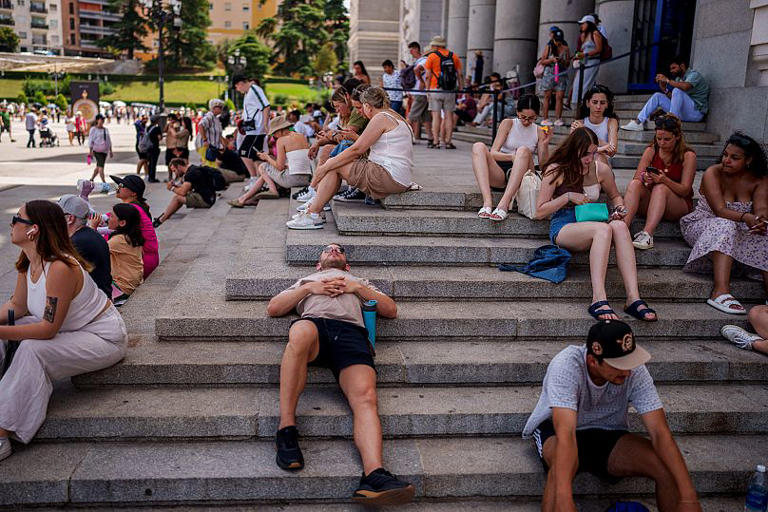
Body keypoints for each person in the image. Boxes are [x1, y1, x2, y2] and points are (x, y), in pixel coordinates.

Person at [266, 243, 414, 504]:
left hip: (350, 335)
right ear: (318, 264)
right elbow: (274, 308)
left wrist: (356, 288)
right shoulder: (306, 279)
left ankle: (374, 474)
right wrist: (310, 288)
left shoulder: (358, 281)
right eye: (327, 249)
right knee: (299, 332)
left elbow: (390, 310)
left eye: (339, 249)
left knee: (366, 397)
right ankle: (286, 430)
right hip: (314, 329)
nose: (333, 250)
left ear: (346, 265)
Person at [523, 320, 702, 512]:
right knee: (561, 467)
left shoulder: (634, 371)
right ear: (593, 361)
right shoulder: (566, 365)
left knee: (665, 467)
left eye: (629, 362)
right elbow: (566, 435)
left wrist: (689, 498)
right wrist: (566, 501)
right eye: (618, 365)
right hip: (559, 432)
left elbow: (660, 432)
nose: (627, 371)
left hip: (609, 432)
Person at [0, 200, 127, 461]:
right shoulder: (29, 258)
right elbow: (18, 306)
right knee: (8, 329)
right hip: (70, 330)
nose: (11, 225)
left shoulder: (60, 267)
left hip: (101, 337)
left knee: (33, 349)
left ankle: (2, 434)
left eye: (17, 220)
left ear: (34, 229)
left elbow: (47, 329)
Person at [535, 127, 657, 322]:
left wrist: (620, 210)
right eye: (585, 154)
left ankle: (633, 298)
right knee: (603, 229)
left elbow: (616, 196)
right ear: (573, 150)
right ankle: (598, 299)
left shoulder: (601, 169)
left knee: (619, 226)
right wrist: (567, 196)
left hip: (595, 221)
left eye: (593, 152)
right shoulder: (556, 169)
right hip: (565, 225)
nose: (590, 158)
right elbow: (539, 211)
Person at [288, 87, 413, 230]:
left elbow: (357, 149)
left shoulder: (380, 118)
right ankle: (315, 208)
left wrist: (325, 167)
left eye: (361, 107)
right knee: (334, 163)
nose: (360, 112)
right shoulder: (394, 115)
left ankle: (313, 213)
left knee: (334, 166)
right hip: (397, 177)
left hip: (389, 176)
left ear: (367, 105)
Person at [679, 132, 768, 314]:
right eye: (726, 154)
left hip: (738, 229)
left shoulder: (759, 180)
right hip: (704, 224)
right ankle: (720, 291)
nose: (726, 160)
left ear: (749, 160)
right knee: (724, 224)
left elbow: (761, 208)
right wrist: (746, 217)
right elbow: (720, 210)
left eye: (734, 157)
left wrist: (760, 220)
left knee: (765, 231)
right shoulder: (713, 173)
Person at [471, 94, 551, 221]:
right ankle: (487, 203)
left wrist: (545, 145)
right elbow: (493, 152)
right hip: (501, 170)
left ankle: (504, 204)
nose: (526, 121)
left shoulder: (539, 131)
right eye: (523, 117)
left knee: (523, 150)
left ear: (537, 115)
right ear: (517, 112)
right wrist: (512, 157)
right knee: (478, 146)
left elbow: (543, 165)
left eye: (531, 118)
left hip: (525, 172)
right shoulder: (508, 123)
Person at [623, 114, 696, 250]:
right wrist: (645, 178)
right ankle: (622, 228)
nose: (662, 143)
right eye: (659, 138)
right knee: (635, 184)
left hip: (677, 204)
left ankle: (647, 234)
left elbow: (685, 190)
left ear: (677, 136)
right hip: (652, 202)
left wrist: (665, 180)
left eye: (667, 139)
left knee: (661, 187)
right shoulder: (651, 150)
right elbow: (637, 179)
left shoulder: (688, 155)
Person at [228, 115, 312, 207]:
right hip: (306, 179)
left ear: (280, 130)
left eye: (274, 133)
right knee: (266, 174)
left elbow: (280, 167)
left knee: (263, 167)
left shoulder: (281, 140)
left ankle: (272, 191)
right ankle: (244, 199)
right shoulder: (301, 136)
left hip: (292, 179)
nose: (274, 136)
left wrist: (267, 157)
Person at [621, 56, 710, 131]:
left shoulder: (694, 75)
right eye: (671, 69)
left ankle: (670, 122)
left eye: (674, 68)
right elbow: (675, 99)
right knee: (658, 96)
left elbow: (685, 87)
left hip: (696, 113)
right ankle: (639, 122)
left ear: (682, 66)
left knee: (677, 90)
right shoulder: (679, 79)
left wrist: (667, 80)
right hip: (684, 113)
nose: (671, 71)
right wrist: (664, 89)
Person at [58, 194, 112, 299]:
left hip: (93, 305)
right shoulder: (87, 235)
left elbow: (62, 281)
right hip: (99, 299)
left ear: (70, 218)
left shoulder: (77, 243)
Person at [110, 174, 159, 279]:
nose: (118, 187)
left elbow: (102, 220)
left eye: (122, 185)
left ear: (133, 193)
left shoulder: (131, 209)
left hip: (142, 262)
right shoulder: (137, 206)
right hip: (147, 259)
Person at [153, 158, 217, 227]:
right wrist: (175, 187)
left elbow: (182, 192)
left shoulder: (190, 174)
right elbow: (186, 189)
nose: (175, 174)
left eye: (174, 171)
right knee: (181, 196)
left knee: (177, 198)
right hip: (209, 197)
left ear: (179, 167)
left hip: (206, 200)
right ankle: (166, 214)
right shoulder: (192, 169)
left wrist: (171, 188)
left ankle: (161, 220)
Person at [425, 36, 463, 149]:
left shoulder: (431, 57)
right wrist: (461, 88)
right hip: (450, 90)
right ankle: (448, 141)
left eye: (433, 45)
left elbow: (428, 76)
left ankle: (436, 142)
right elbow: (460, 74)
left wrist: (427, 90)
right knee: (449, 116)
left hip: (435, 89)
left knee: (436, 117)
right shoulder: (454, 56)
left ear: (436, 46)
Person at [570, 84, 618, 172]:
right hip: (582, 161)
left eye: (602, 103)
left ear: (607, 104)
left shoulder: (611, 122)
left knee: (599, 157)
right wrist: (602, 148)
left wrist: (585, 131)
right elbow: (575, 150)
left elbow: (612, 150)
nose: (598, 107)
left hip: (603, 163)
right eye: (595, 102)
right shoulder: (579, 122)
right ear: (588, 103)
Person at [105, 203, 145, 305]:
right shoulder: (130, 236)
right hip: (132, 284)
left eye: (112, 216)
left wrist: (92, 227)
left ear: (122, 223)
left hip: (122, 287)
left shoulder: (118, 240)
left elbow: (96, 251)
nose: (108, 219)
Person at [233, 75, 271, 181]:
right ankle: (260, 179)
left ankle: (254, 178)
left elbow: (266, 106)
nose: (237, 90)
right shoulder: (249, 92)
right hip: (253, 129)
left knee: (243, 153)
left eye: (237, 87)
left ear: (240, 83)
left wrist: (265, 124)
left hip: (257, 129)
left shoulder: (254, 89)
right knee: (256, 156)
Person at [539, 27, 571, 127]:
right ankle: (545, 118)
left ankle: (558, 118)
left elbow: (568, 63)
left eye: (559, 40)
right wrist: (551, 60)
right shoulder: (549, 46)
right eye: (556, 40)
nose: (558, 43)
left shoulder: (565, 48)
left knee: (560, 97)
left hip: (561, 74)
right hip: (549, 73)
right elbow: (542, 61)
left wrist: (562, 61)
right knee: (547, 96)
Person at [571, 15, 603, 107]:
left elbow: (599, 49)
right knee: (577, 84)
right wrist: (577, 56)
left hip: (592, 61)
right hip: (583, 62)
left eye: (583, 24)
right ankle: (577, 104)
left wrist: (586, 54)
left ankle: (584, 104)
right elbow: (582, 50)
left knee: (586, 84)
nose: (581, 26)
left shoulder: (595, 33)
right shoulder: (583, 36)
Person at [406, 41, 433, 144]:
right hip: (423, 92)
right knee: (425, 117)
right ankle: (431, 137)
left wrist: (421, 82)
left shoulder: (423, 60)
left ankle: (403, 137)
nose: (411, 52)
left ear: (416, 49)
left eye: (412, 50)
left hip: (420, 92)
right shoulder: (423, 60)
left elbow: (417, 69)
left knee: (411, 116)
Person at [199, 99, 226, 168]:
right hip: (208, 147)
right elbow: (201, 125)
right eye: (219, 107)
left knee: (212, 165)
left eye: (222, 107)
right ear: (213, 107)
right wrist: (205, 140)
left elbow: (217, 133)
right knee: (209, 165)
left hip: (213, 147)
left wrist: (222, 143)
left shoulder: (215, 118)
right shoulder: (209, 117)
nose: (221, 109)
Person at [88, 114, 113, 184]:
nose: (102, 121)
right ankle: (104, 183)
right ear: (97, 120)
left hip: (104, 151)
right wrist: (90, 151)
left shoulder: (106, 130)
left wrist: (111, 150)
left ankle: (91, 179)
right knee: (101, 167)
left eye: (103, 119)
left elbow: (108, 140)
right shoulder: (93, 129)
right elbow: (91, 140)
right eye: (101, 119)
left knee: (99, 166)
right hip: (97, 150)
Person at [145, 115, 163, 183]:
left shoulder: (148, 127)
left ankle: (149, 176)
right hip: (154, 147)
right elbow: (159, 138)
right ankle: (152, 177)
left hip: (148, 147)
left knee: (149, 163)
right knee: (153, 163)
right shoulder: (157, 128)